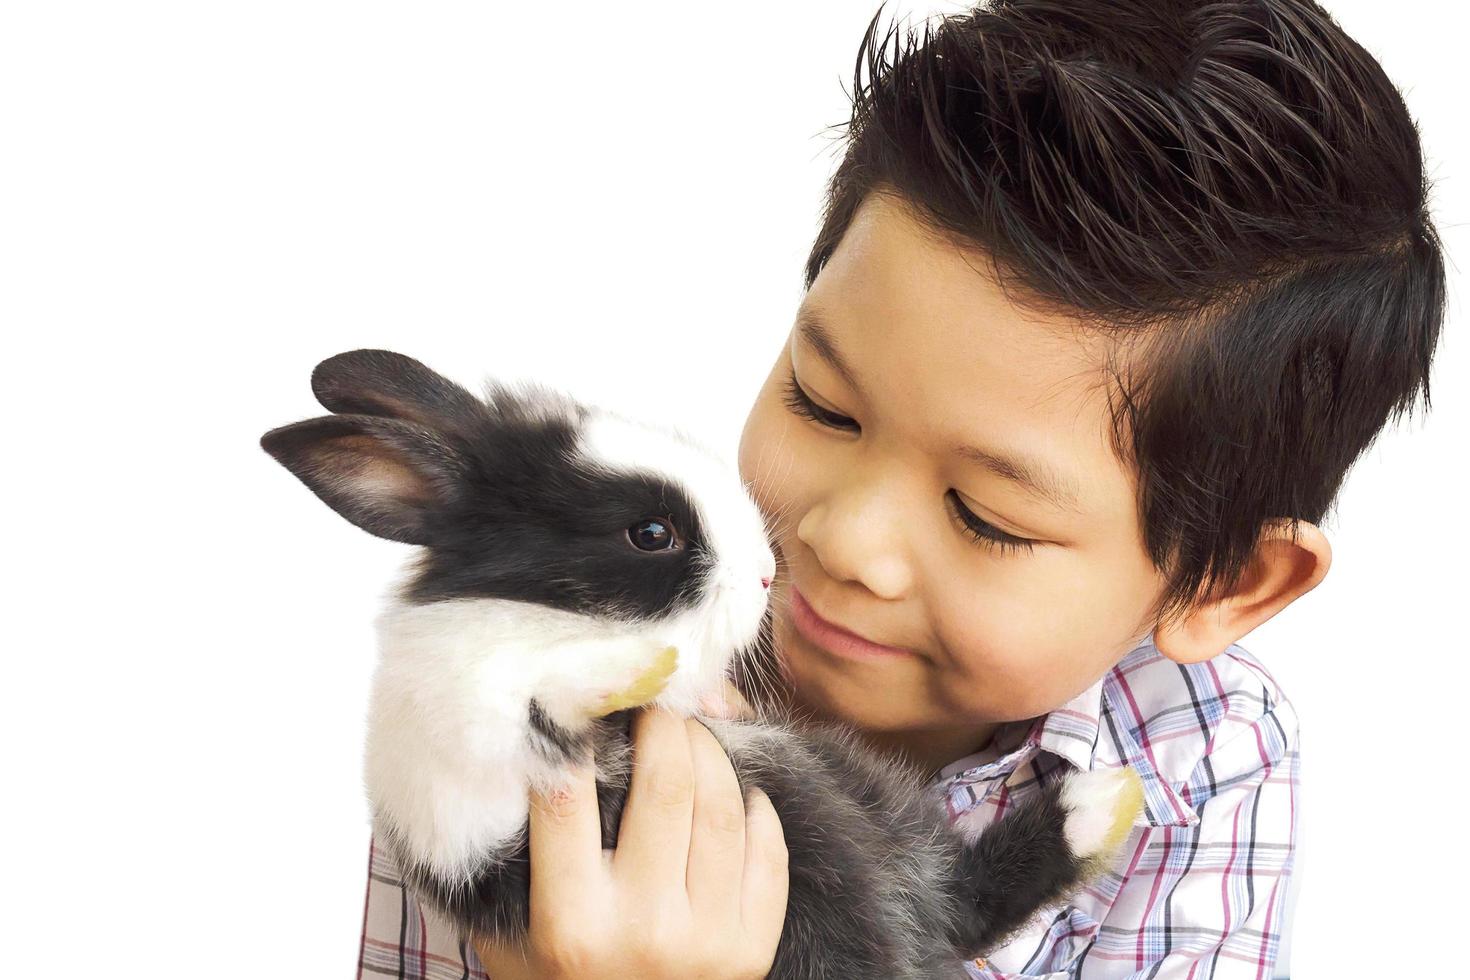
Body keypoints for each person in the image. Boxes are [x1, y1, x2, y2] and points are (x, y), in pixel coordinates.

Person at [357, 1, 1446, 976]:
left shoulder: (1203, 759)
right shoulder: (548, 647)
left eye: (989, 516)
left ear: (1232, 584)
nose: (841, 540)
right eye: (824, 404)